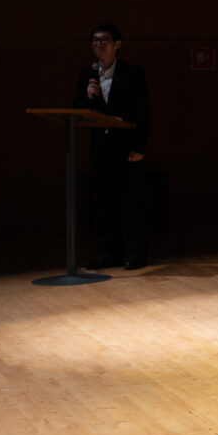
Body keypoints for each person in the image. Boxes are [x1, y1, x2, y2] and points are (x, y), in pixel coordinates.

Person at [74, 23, 151, 270]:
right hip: (101, 148)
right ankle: (112, 253)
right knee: (107, 203)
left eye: (104, 40)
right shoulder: (87, 74)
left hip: (127, 147)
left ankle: (138, 252)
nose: (98, 44)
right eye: (95, 40)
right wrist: (87, 95)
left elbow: (143, 111)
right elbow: (78, 110)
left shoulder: (132, 73)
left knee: (134, 202)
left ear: (117, 45)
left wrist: (140, 146)